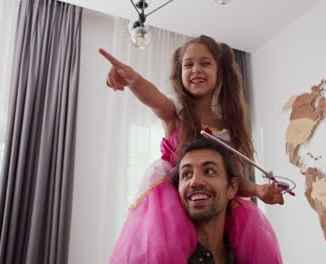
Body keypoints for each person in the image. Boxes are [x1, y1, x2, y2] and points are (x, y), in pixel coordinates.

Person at [100, 35, 283, 263]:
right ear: (180, 74)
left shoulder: (227, 127)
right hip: (175, 199)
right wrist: (133, 80)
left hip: (209, 203)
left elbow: (233, 179)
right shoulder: (176, 112)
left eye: (205, 63)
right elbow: (154, 98)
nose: (196, 69)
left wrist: (257, 190)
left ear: (220, 73)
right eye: (188, 65)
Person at [171, 138, 241, 264]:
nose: (195, 182)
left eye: (209, 171)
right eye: (187, 174)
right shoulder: (164, 257)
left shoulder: (243, 255)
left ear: (232, 188)